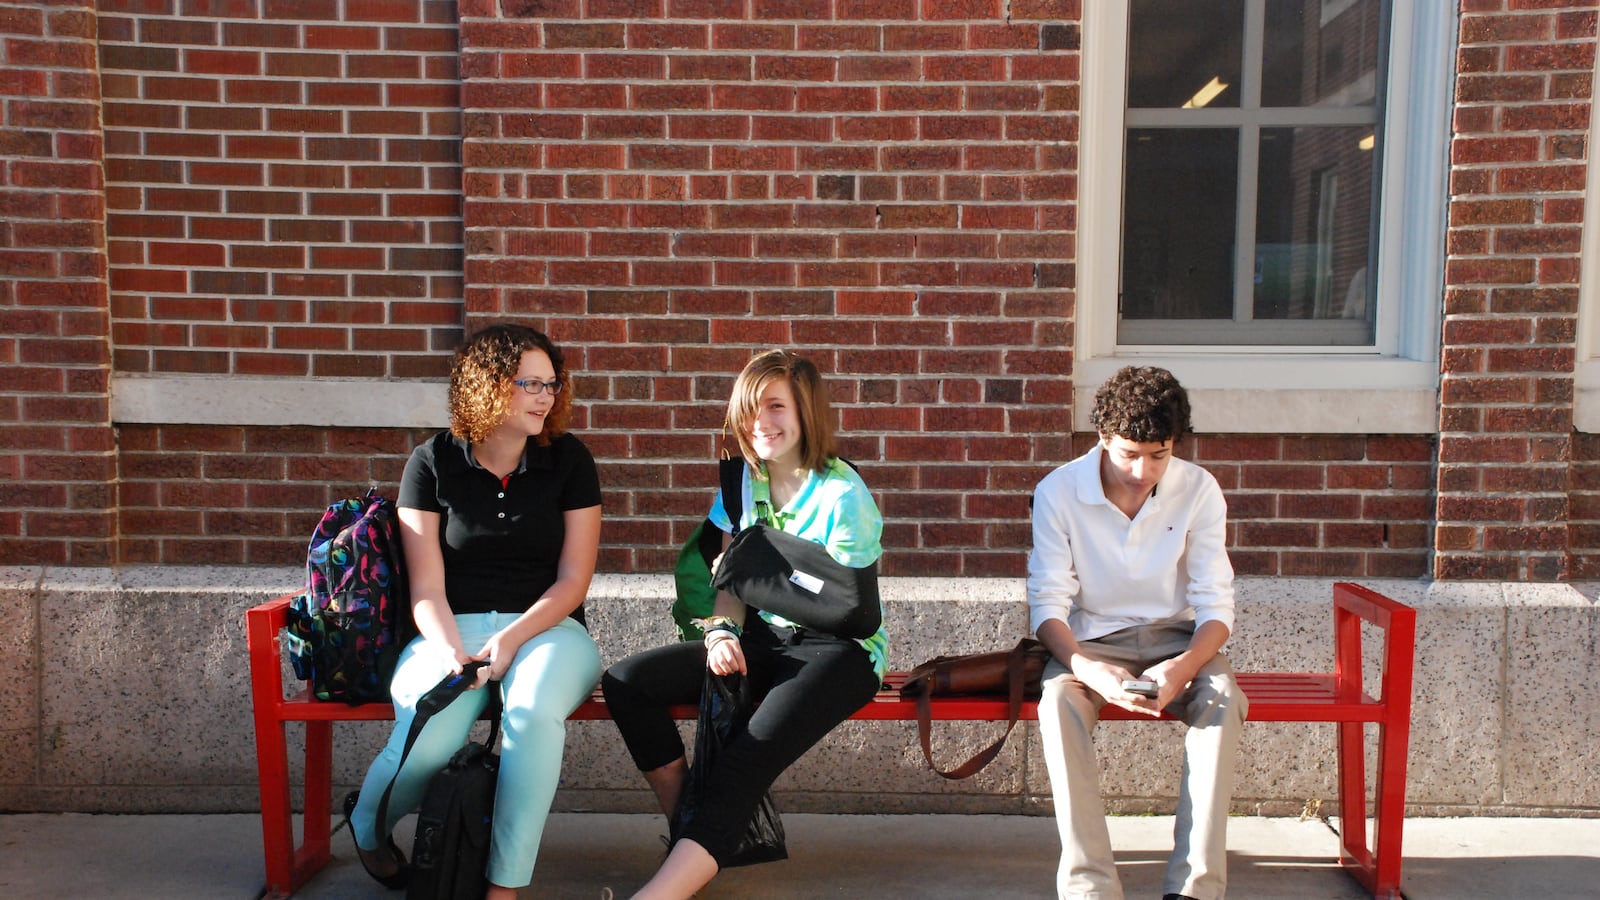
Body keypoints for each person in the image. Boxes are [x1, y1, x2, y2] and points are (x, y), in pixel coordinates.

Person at [601, 349, 887, 900]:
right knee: (627, 683)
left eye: (776, 406)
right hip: (760, 639)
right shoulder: (739, 487)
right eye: (751, 408)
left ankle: (664, 889)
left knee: (744, 757)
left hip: (840, 651)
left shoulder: (842, 493)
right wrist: (720, 632)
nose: (761, 422)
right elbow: (730, 588)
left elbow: (856, 611)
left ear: (807, 413)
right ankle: (695, 829)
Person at [345, 323, 604, 899]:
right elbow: (426, 589)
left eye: (552, 384)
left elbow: (572, 581)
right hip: (449, 629)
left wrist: (510, 640)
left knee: (532, 715)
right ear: (486, 386)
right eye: (530, 383)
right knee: (431, 729)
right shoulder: (432, 461)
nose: (546, 396)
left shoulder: (568, 460)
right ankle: (368, 828)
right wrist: (450, 653)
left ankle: (503, 887)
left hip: (548, 630)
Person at [1027, 365, 1247, 900]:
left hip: (1177, 638)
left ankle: (1194, 890)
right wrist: (1085, 668)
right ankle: (1090, 888)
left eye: (1159, 453)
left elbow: (1216, 604)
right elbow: (1047, 603)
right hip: (1091, 643)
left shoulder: (1199, 489)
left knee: (1224, 700)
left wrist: (1185, 666)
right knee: (1057, 705)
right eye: (1129, 453)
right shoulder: (1058, 491)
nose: (1143, 469)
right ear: (1102, 437)